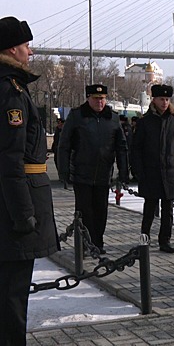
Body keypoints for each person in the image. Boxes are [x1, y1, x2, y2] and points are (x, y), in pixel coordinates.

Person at [0, 16, 60, 345]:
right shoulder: (11, 92)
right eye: (26, 45)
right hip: (14, 210)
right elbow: (10, 161)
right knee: (12, 295)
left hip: (11, 202)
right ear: (12, 48)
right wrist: (24, 215)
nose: (30, 51)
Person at [58, 84, 129, 254]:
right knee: (84, 211)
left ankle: (97, 243)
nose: (100, 102)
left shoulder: (112, 118)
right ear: (88, 98)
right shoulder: (77, 116)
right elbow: (64, 145)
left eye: (103, 98)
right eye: (96, 99)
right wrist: (64, 171)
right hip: (82, 174)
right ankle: (84, 244)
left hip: (104, 174)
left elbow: (121, 146)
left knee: (101, 210)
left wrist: (124, 170)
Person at [131, 84, 174, 253]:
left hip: (169, 171)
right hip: (150, 171)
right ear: (154, 100)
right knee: (149, 208)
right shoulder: (144, 122)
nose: (164, 102)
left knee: (168, 209)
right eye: (161, 99)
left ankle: (165, 240)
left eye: (167, 99)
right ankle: (144, 239)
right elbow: (137, 148)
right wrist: (137, 170)